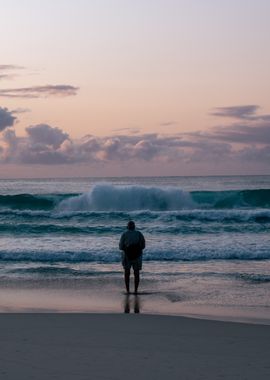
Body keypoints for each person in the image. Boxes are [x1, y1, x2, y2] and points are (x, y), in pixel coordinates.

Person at [119, 220, 145, 294]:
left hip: (127, 256)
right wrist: (136, 250)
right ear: (134, 227)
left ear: (127, 227)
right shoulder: (139, 233)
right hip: (137, 256)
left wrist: (128, 248)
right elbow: (143, 246)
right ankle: (136, 290)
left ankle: (128, 290)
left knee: (127, 273)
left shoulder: (124, 234)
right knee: (136, 273)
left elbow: (120, 247)